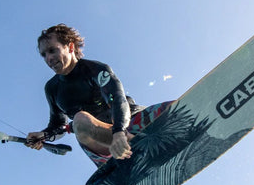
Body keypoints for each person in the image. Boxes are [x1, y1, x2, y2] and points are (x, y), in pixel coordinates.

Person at [25, 24, 172, 167]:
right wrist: (43, 135)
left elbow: (117, 98)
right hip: (103, 146)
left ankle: (136, 144)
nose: (48, 58)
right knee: (80, 121)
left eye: (52, 51)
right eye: (43, 55)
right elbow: (58, 125)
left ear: (70, 47)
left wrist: (119, 131)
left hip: (128, 125)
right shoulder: (52, 89)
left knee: (179, 107)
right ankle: (137, 152)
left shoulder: (95, 69)